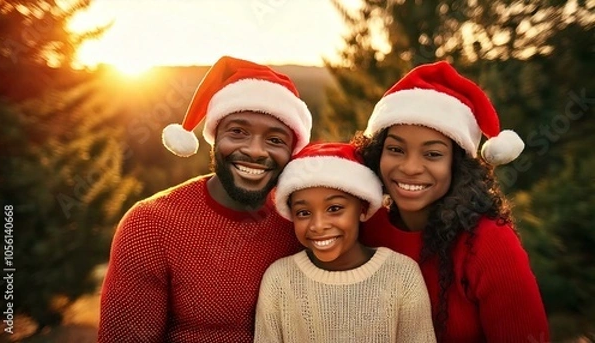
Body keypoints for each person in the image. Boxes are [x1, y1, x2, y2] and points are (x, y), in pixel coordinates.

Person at [98, 56, 313, 342]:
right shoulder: (150, 225)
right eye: (238, 132)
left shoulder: (305, 224)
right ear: (215, 137)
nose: (256, 151)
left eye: (275, 140)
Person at [352, 61, 550, 342]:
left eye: (432, 154)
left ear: (457, 165)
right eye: (395, 149)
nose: (410, 168)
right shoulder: (364, 226)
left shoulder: (488, 242)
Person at [254, 142, 437, 343]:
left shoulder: (402, 275)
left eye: (334, 208)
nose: (318, 225)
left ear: (362, 208)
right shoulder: (280, 279)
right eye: (304, 213)